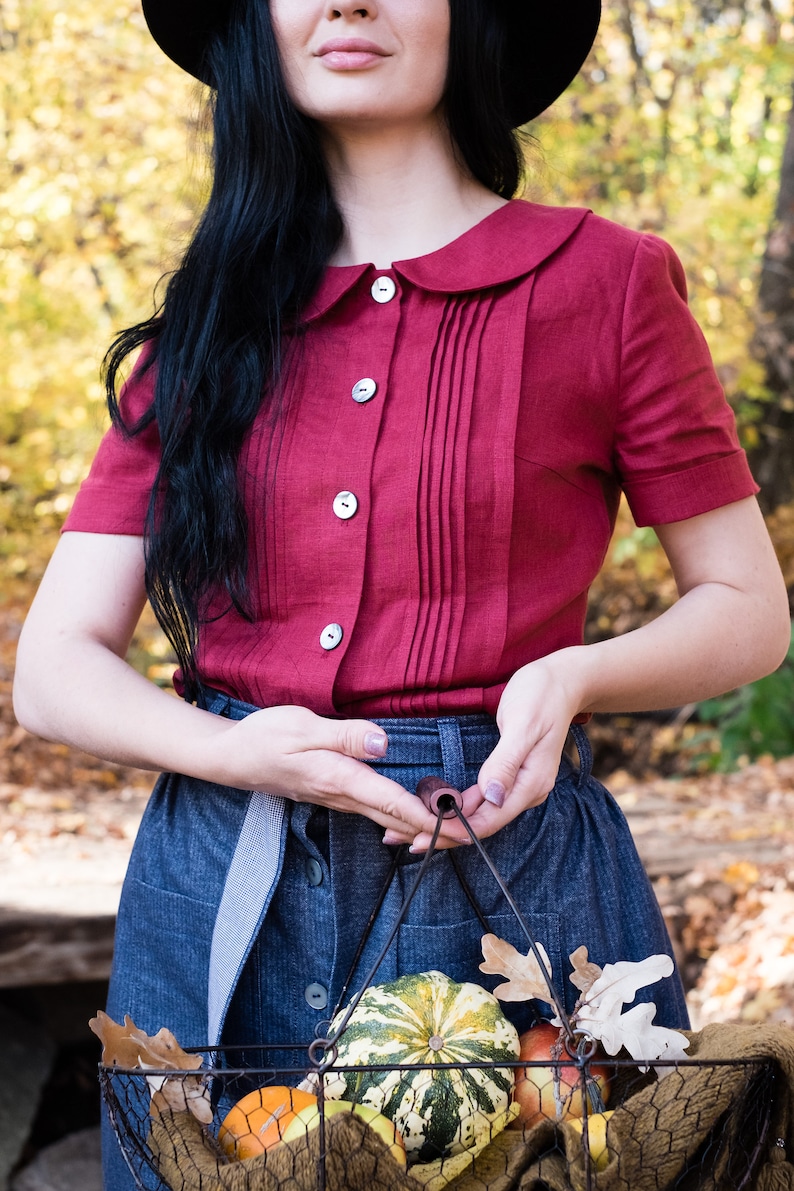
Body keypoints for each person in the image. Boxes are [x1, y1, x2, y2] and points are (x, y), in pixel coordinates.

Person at [13, 0, 790, 1184]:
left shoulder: (609, 284)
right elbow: (55, 668)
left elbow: (744, 608)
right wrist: (236, 754)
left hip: (506, 874)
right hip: (222, 880)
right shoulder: (207, 327)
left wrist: (576, 673)